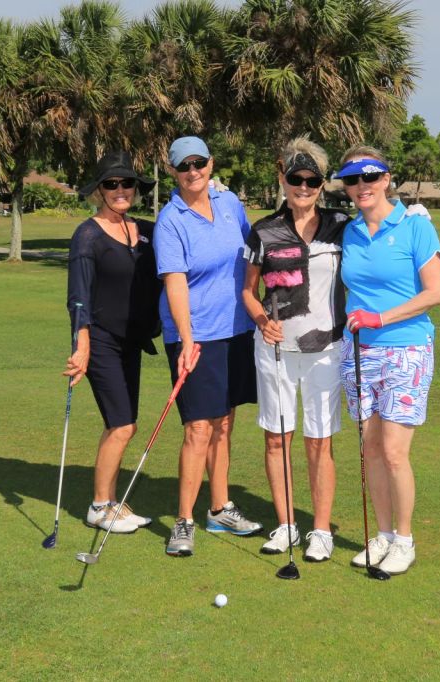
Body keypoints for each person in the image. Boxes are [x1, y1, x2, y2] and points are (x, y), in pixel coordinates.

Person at [336, 145, 440, 576]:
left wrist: (379, 317)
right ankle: (381, 535)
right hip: (359, 351)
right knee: (371, 449)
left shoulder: (416, 226)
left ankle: (404, 539)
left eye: (370, 176)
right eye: (351, 179)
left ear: (385, 178)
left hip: (407, 348)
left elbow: (435, 293)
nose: (361, 186)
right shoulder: (349, 232)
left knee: (395, 452)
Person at [154, 136, 263, 557]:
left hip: (236, 330)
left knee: (224, 424)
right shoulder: (171, 220)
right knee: (198, 427)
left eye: (199, 163)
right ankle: (184, 520)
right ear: (173, 171)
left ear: (211, 164)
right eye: (184, 166)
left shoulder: (230, 203)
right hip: (195, 336)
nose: (193, 171)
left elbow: (251, 254)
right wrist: (185, 337)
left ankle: (220, 508)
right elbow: (175, 281)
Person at [241, 138, 346, 562]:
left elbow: (379, 225)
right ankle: (286, 525)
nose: (303, 187)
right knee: (276, 438)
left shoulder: (341, 225)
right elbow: (248, 291)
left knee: (319, 440)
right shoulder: (264, 229)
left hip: (326, 349)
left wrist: (411, 215)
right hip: (275, 348)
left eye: (312, 181)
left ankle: (321, 530)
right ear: (283, 179)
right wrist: (262, 321)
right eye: (295, 179)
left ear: (322, 184)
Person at [64, 150, 160, 535]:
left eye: (126, 183)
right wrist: (81, 346)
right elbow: (78, 296)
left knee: (123, 423)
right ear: (99, 191)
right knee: (122, 425)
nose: (120, 190)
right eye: (111, 184)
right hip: (101, 341)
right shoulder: (87, 235)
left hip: (131, 343)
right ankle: (99, 507)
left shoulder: (146, 230)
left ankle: (112, 503)